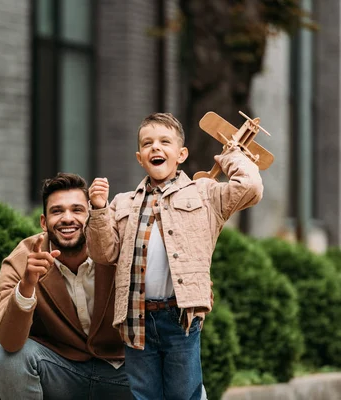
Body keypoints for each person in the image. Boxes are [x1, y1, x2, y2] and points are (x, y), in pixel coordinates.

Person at [86, 112, 263, 400]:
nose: (155, 147)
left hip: (180, 316)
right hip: (135, 316)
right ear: (139, 157)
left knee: (185, 395)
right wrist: (98, 209)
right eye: (147, 143)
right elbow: (103, 253)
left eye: (164, 142)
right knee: (144, 395)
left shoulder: (205, 194)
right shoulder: (122, 203)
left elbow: (250, 188)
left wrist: (231, 155)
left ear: (181, 154)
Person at [0, 172, 131, 400]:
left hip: (123, 373)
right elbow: (9, 341)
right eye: (57, 211)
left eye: (77, 210)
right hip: (61, 372)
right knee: (9, 358)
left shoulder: (119, 247)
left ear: (91, 214)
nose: (67, 218)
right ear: (44, 222)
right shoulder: (22, 260)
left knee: (175, 370)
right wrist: (27, 286)